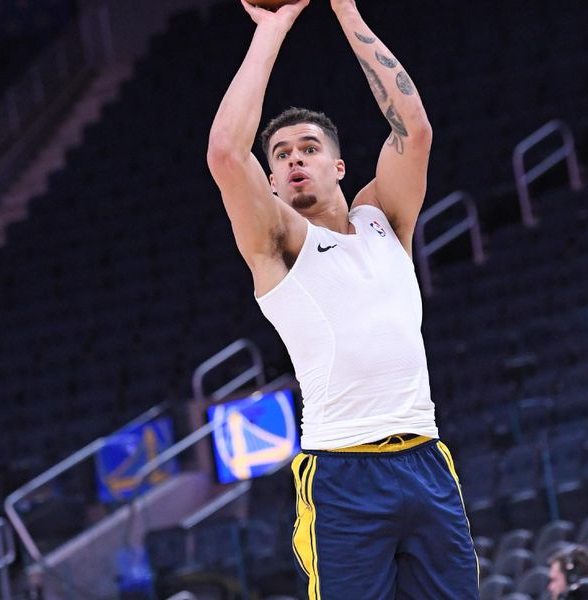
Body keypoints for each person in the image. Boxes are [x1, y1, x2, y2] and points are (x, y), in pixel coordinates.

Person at [206, 0, 479, 598]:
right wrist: (272, 30)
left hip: (427, 458)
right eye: (281, 155)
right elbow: (226, 154)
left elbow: (416, 129)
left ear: (338, 165)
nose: (294, 159)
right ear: (272, 183)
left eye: (307, 148)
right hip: (342, 473)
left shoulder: (386, 220)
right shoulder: (279, 244)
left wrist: (346, 9)